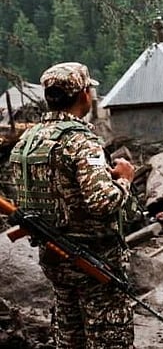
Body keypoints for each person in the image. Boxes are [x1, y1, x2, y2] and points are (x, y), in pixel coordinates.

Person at [9, 62, 135, 348]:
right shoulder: (80, 141)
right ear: (84, 96)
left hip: (54, 257)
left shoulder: (27, 141)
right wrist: (125, 179)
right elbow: (102, 202)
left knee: (69, 335)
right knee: (108, 338)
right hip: (93, 261)